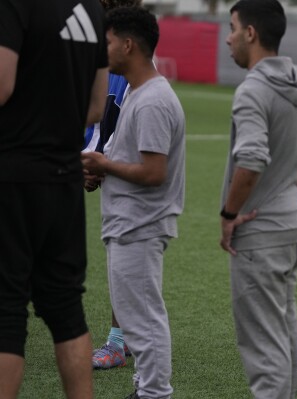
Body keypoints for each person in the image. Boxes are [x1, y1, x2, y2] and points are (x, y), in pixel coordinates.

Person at [220, 0, 297, 397]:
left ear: (250, 33)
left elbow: (250, 160)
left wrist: (229, 214)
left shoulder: (253, 89)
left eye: (232, 26)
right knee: (283, 334)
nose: (228, 36)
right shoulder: (296, 85)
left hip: (260, 233)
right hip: (290, 228)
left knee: (264, 350)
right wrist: (295, 206)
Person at [0, 0, 108, 397]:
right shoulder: (93, 9)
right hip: (64, 179)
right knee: (65, 309)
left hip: (12, 175)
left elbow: (2, 83)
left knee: (6, 310)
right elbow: (96, 106)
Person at [81, 6, 185, 399]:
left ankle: (155, 393)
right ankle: (145, 387)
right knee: (138, 317)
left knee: (145, 319)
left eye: (107, 41)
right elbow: (136, 161)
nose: (101, 49)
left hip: (141, 224)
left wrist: (105, 164)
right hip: (128, 222)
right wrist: (104, 168)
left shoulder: (153, 99)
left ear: (127, 44)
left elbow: (154, 172)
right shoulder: (141, 94)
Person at [84, 0, 143, 371]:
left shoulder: (140, 77)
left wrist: (100, 163)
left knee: (129, 261)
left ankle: (121, 342)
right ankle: (127, 339)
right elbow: (98, 118)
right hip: (104, 167)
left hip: (127, 183)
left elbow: (150, 161)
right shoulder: (106, 59)